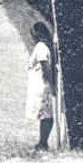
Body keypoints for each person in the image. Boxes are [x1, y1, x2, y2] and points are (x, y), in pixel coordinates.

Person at [27, 22, 58, 150]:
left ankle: (43, 142)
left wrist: (51, 84)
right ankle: (42, 141)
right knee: (44, 115)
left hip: (43, 84)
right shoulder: (45, 46)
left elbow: (45, 67)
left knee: (46, 115)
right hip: (42, 84)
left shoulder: (41, 47)